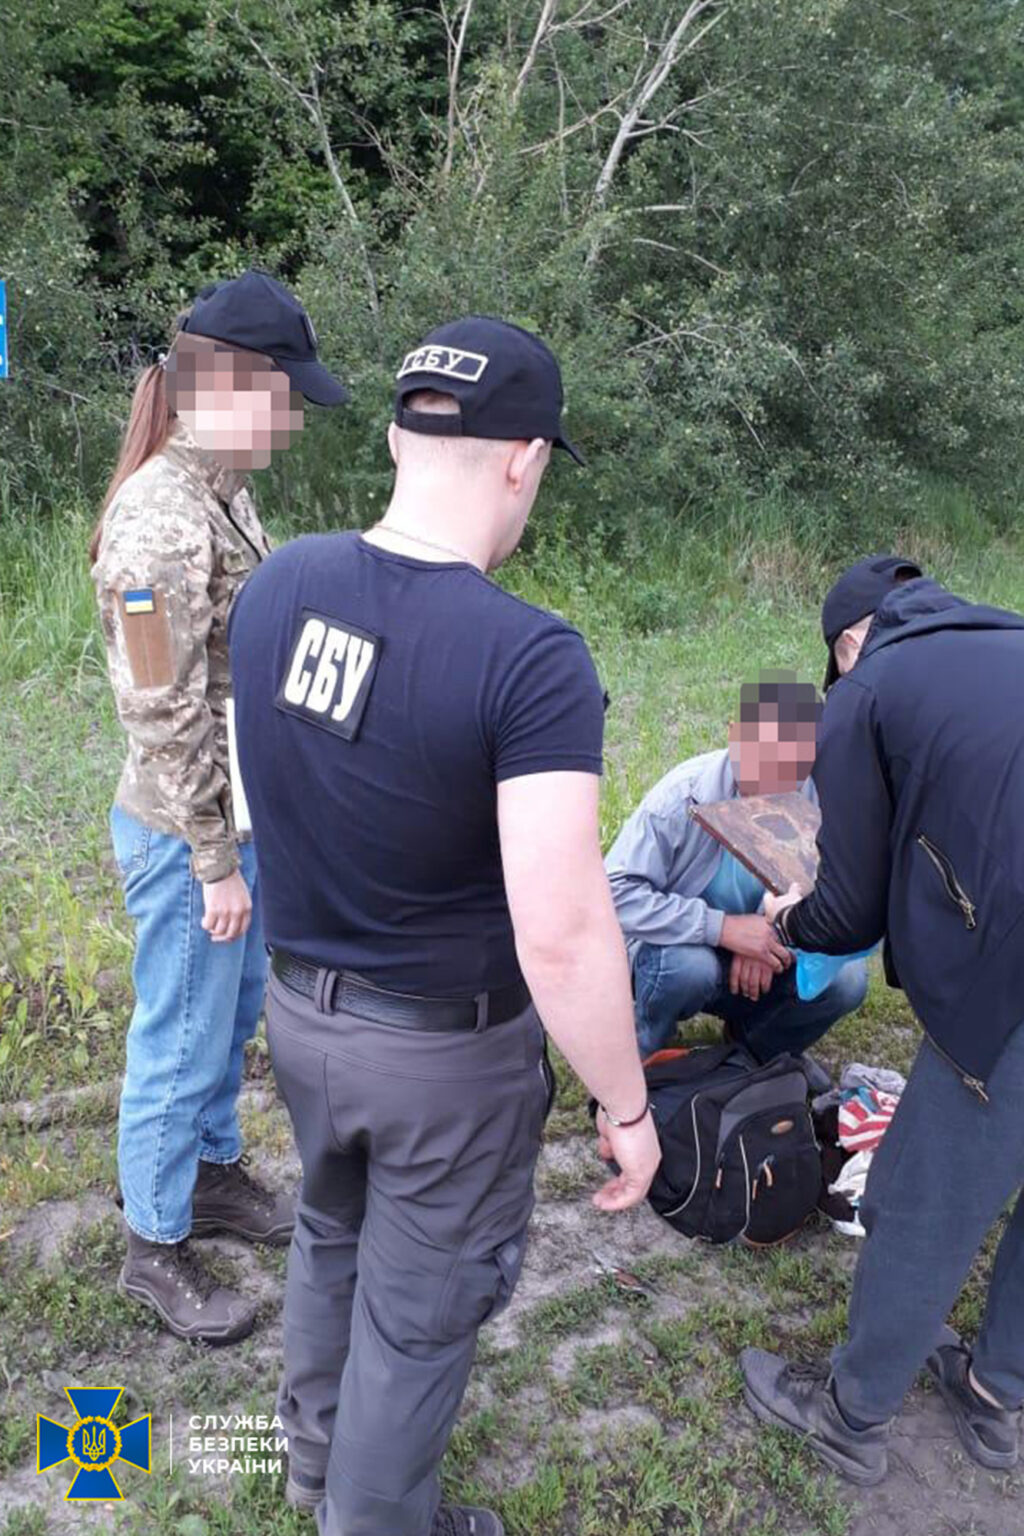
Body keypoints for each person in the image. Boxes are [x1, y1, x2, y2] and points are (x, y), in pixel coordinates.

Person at [227, 316, 661, 1536]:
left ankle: (314, 1461)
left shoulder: (277, 586)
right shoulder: (528, 659)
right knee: (417, 1321)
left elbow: (262, 793)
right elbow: (563, 932)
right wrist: (626, 1105)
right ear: (524, 458)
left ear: (394, 437)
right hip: (440, 1062)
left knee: (331, 1231)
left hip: (300, 1014)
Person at [91, 270, 348, 1344]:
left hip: (236, 820)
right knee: (182, 1033)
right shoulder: (158, 519)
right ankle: (154, 1244)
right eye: (287, 398)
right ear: (233, 386)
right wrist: (211, 860)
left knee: (229, 1017)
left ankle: (206, 1172)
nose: (295, 421)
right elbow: (159, 702)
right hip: (184, 831)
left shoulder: (225, 491)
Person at [740, 553, 1024, 1485]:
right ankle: (994, 1394)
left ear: (851, 642)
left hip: (1010, 976)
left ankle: (849, 1415)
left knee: (925, 1197)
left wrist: (788, 918)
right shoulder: (1008, 638)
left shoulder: (870, 690)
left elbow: (848, 910)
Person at [604, 672, 868, 1064]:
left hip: (770, 949)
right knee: (686, 969)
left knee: (849, 980)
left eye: (793, 761)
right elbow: (614, 893)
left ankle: (751, 1055)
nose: (776, 774)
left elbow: (840, 897)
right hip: (681, 952)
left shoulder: (824, 800)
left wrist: (774, 936)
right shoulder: (682, 796)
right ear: (735, 734)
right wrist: (724, 929)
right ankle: (644, 1046)